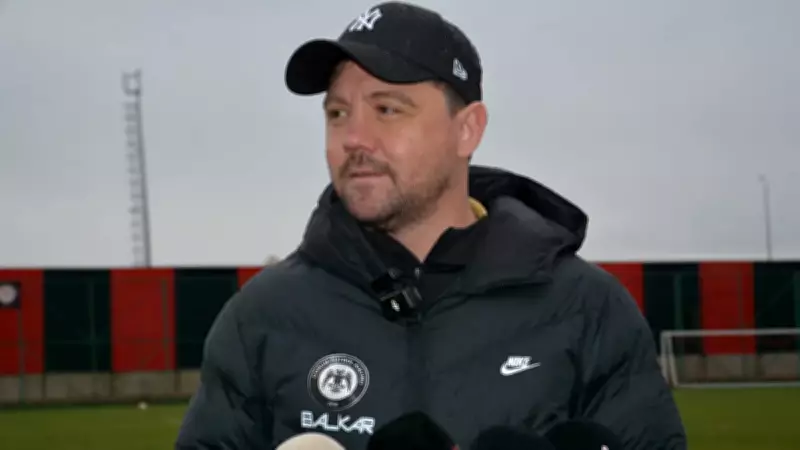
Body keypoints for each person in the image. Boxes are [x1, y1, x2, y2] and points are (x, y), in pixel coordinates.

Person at [175, 2, 688, 449]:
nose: (353, 138)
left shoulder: (586, 310)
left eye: (387, 109)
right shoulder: (262, 318)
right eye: (337, 114)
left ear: (467, 130)